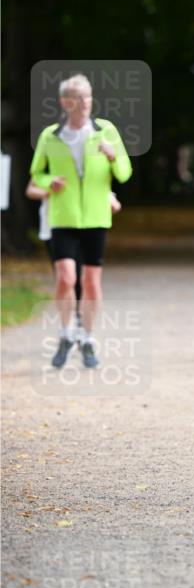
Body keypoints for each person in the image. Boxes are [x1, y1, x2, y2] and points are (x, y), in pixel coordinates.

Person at [29, 74, 132, 369]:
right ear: (65, 102)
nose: (85, 102)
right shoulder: (51, 136)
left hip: (96, 217)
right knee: (65, 278)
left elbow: (124, 173)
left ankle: (87, 338)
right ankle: (66, 333)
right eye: (78, 97)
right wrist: (50, 182)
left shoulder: (105, 131)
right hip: (63, 216)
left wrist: (113, 157)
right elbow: (36, 174)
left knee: (91, 282)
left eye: (87, 96)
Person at [25, 180, 122, 343]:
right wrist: (49, 192)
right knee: (65, 278)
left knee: (81, 277)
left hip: (84, 226)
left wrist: (110, 198)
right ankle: (68, 325)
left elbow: (94, 184)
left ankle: (81, 321)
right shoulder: (47, 165)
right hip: (54, 226)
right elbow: (31, 189)